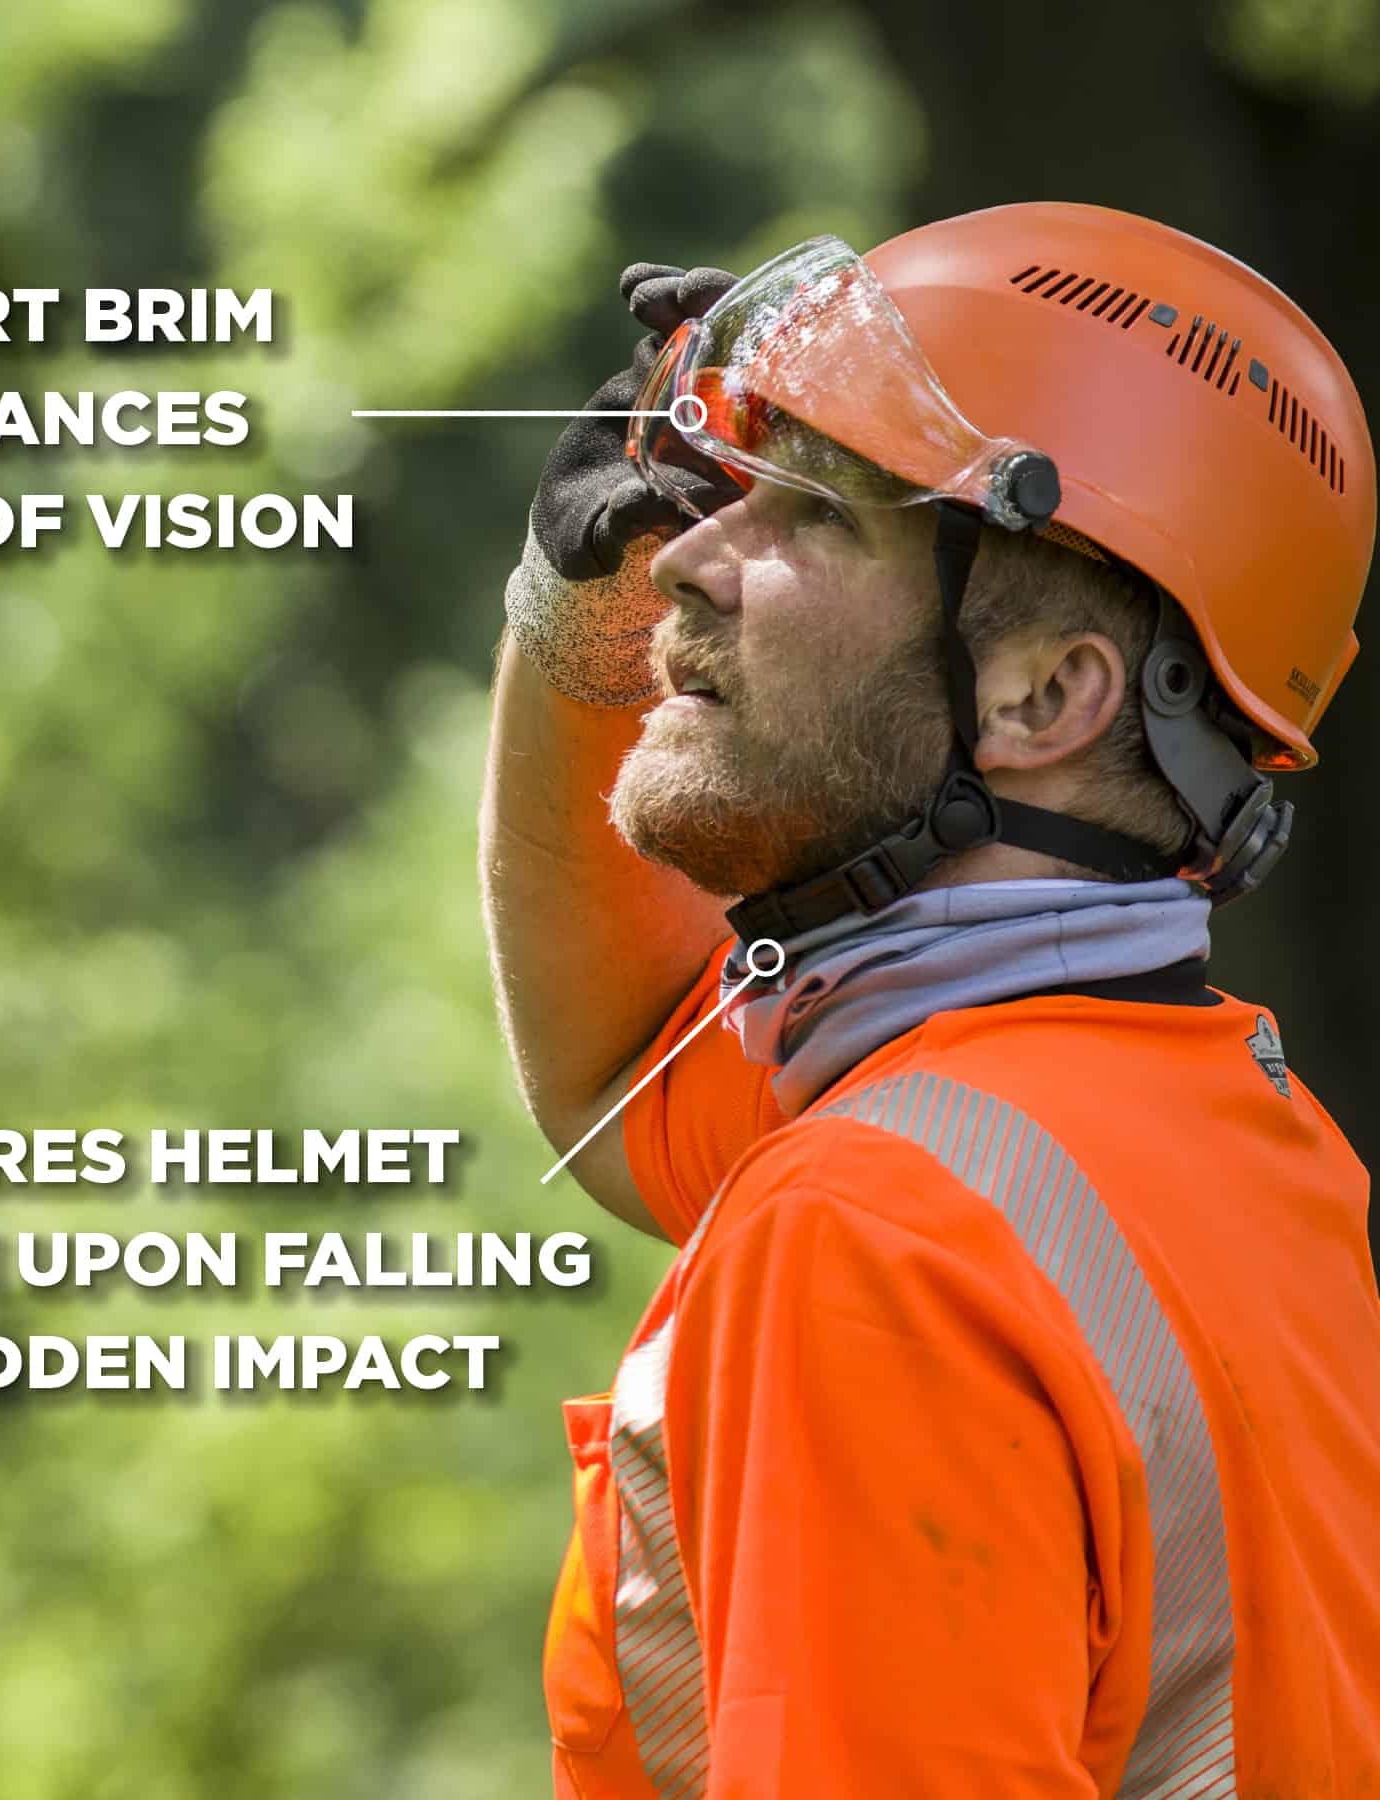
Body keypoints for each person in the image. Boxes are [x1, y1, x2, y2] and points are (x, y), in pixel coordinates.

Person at [482, 203, 1380, 1798]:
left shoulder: (879, 1229)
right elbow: (618, 1081)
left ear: (1046, 695)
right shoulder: (1245, 1136)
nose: (683, 553)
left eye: (813, 514)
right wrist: (577, 616)